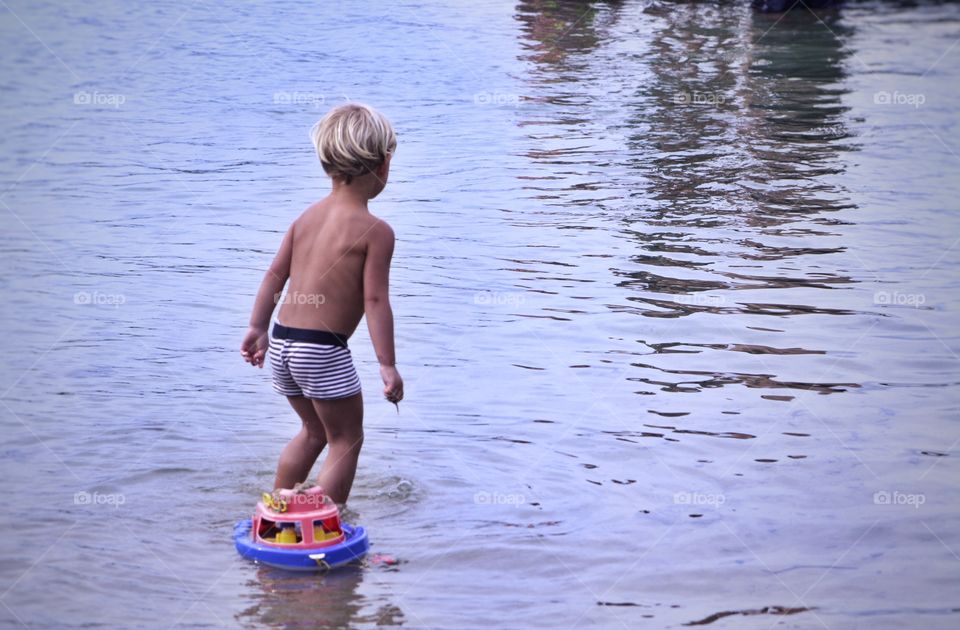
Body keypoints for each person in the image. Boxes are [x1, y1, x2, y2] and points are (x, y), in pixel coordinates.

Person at [240, 102, 403, 504]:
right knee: (346, 439)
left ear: (327, 163)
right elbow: (375, 299)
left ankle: (277, 509)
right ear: (383, 165)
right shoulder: (376, 231)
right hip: (322, 351)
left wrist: (258, 328)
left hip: (282, 344)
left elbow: (274, 276)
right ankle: (324, 523)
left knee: (312, 433)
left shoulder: (305, 218)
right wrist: (387, 363)